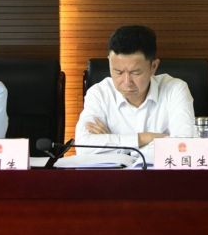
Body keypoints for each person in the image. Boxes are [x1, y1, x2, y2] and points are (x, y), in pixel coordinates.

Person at [75, 25, 195, 154]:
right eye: (118, 72)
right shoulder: (99, 94)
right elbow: (82, 147)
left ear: (153, 67)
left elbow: (184, 146)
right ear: (109, 62)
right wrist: (144, 138)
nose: (127, 82)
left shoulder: (175, 90)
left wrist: (112, 143)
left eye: (135, 73)